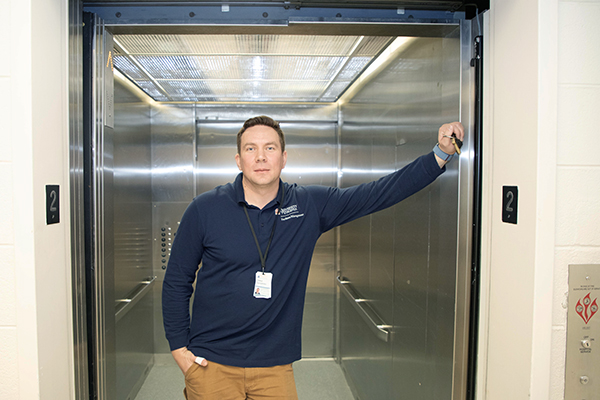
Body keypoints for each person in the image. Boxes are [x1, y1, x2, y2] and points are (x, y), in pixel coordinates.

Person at [162, 115, 464, 400]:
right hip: (211, 363)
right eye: (250, 149)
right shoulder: (204, 209)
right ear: (239, 159)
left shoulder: (308, 205)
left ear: (283, 157)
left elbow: (378, 193)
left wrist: (439, 154)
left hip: (275, 367)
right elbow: (177, 280)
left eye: (270, 148)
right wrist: (179, 349)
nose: (261, 157)